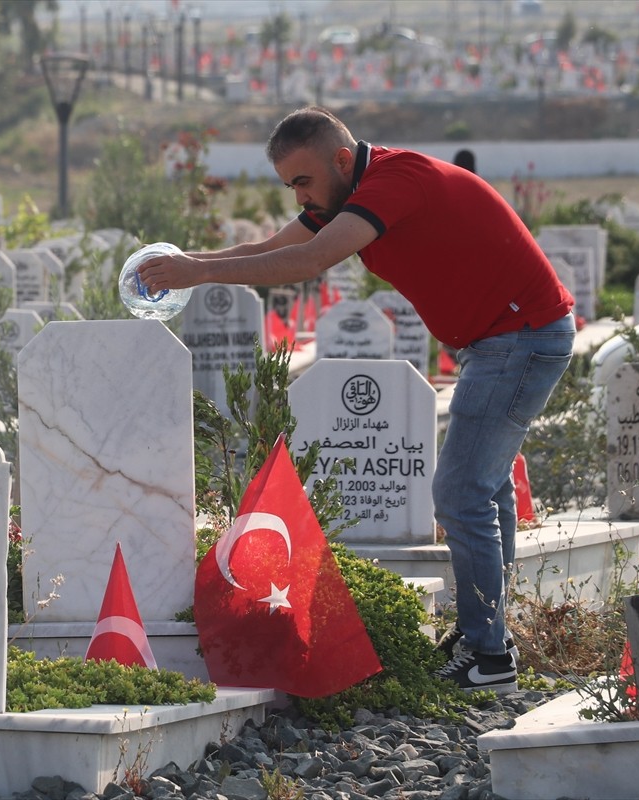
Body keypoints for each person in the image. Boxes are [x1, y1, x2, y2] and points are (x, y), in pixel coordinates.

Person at [137, 106, 575, 693]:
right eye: (289, 185)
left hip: (519, 338)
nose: (299, 197)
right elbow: (271, 245)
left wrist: (197, 276)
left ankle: (490, 655)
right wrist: (191, 264)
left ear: (342, 160)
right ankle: (487, 636)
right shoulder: (340, 194)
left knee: (460, 492)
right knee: (485, 488)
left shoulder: (394, 184)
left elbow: (307, 262)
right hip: (497, 341)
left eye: (304, 180)